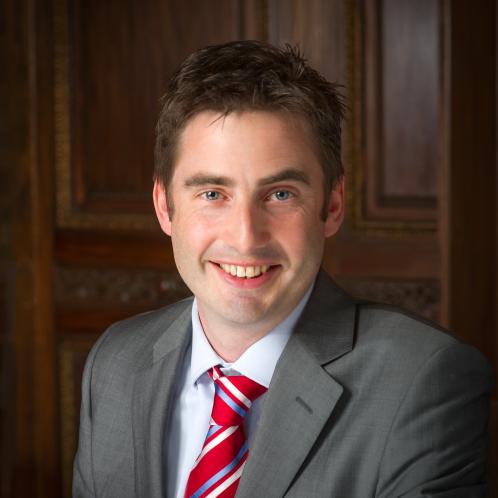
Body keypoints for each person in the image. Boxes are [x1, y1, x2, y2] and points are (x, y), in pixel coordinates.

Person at [73, 40, 493, 498]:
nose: (246, 237)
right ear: (164, 206)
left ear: (332, 205)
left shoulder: (422, 380)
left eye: (280, 194)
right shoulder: (116, 361)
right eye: (212, 194)